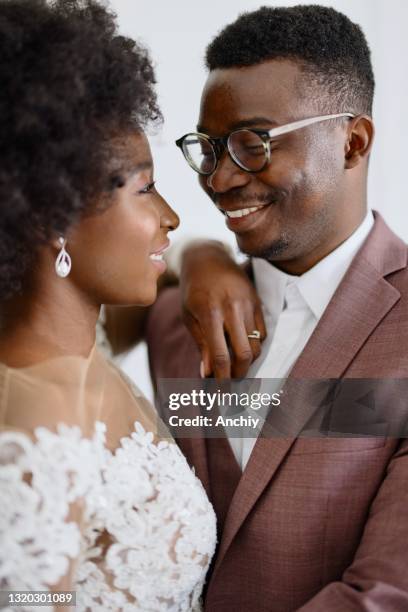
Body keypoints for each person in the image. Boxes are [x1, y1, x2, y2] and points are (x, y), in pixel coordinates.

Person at [144, 5, 408, 611]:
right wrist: (198, 256)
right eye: (210, 149)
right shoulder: (172, 320)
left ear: (352, 142)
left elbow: (384, 597)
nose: (220, 180)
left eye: (253, 144)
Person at [0, 1, 216, 610]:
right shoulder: (33, 419)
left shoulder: (87, 345)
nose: (170, 217)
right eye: (145, 189)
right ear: (51, 212)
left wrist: (204, 257)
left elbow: (174, 267)